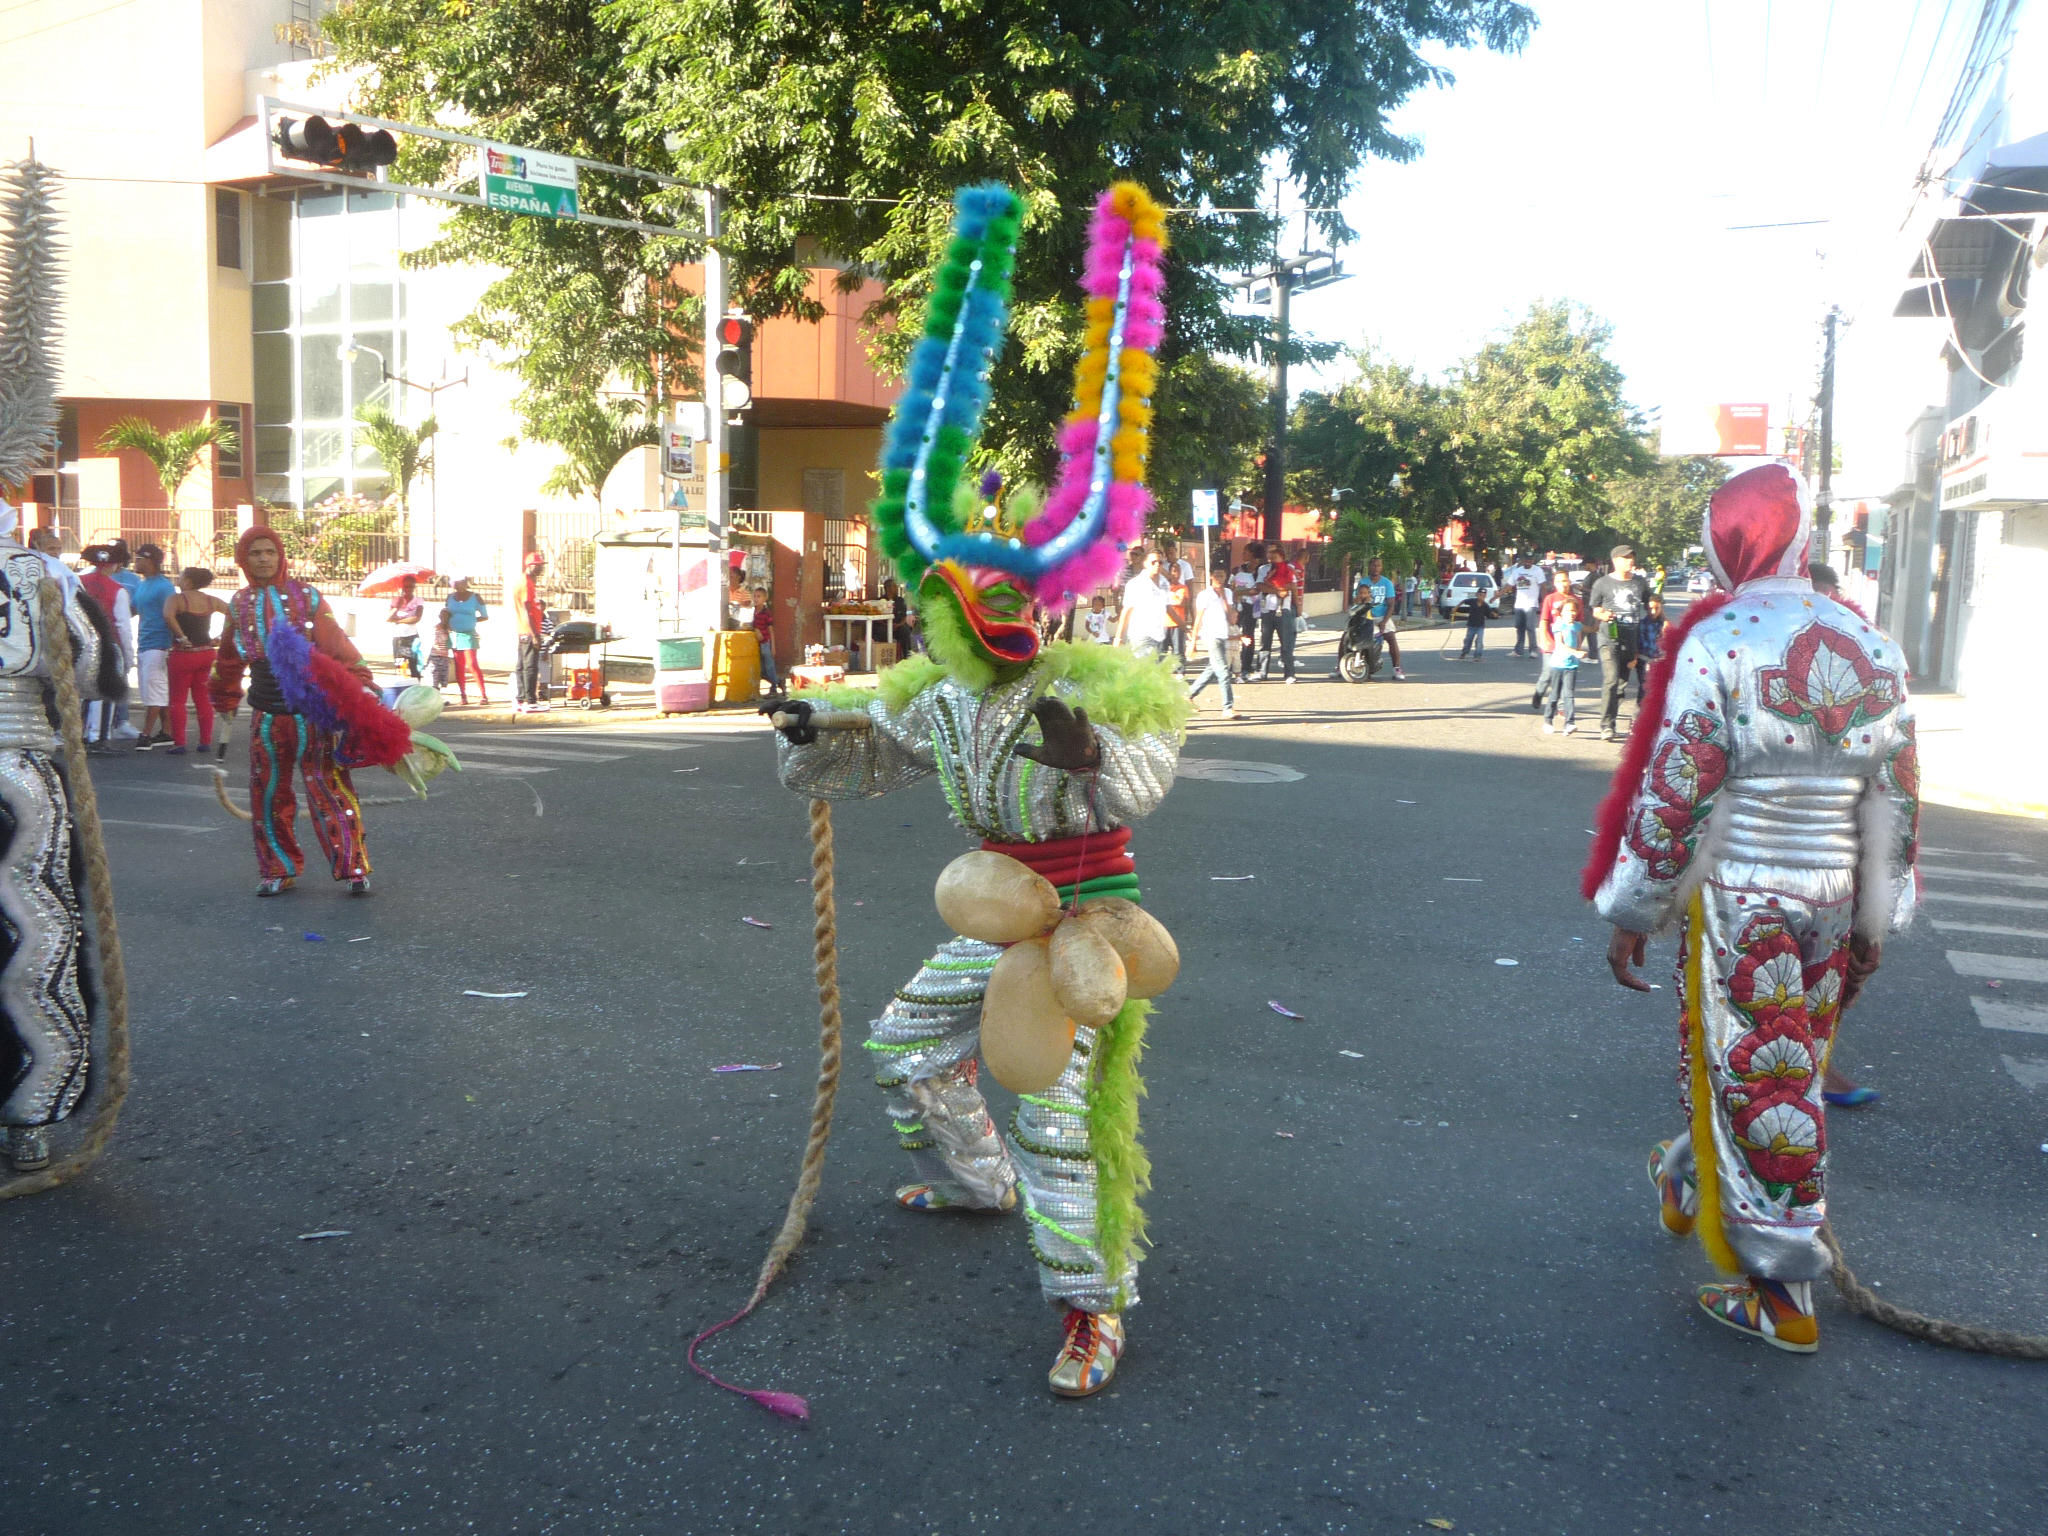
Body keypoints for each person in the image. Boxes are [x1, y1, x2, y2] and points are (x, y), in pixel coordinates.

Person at [768, 180, 1184, 1399]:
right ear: (939, 614)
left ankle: (1090, 1311)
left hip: (1085, 926)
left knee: (1062, 1119)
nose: (997, 618)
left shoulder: (1094, 684)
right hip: (987, 912)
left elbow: (1149, 772)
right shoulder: (935, 696)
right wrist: (806, 728)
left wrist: (1087, 760)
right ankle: (974, 1179)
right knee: (905, 1048)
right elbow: (863, 755)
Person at [1590, 463, 1919, 1354]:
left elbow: (1675, 798)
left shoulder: (1718, 640)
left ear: (1722, 544)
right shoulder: (1872, 644)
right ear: (1803, 540)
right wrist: (1880, 915)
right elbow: (1897, 793)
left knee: (1762, 1071)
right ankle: (1689, 1171)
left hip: (1748, 900)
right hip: (1841, 895)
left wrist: (1634, 911)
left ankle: (1782, 1295)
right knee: (1777, 1063)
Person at [0, 503, 117, 1174]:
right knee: (33, 941)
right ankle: (29, 1117)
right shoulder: (35, 569)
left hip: (22, 768)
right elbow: (88, 671)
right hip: (19, 770)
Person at [209, 527, 410, 898]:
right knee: (268, 793)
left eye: (270, 551)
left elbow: (339, 647)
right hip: (266, 716)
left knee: (329, 788)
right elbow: (227, 656)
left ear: (281, 555)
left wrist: (360, 686)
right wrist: (224, 697)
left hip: (312, 715)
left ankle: (353, 867)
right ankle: (276, 869)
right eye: (256, 553)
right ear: (244, 559)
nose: (264, 558)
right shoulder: (237, 604)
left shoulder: (308, 597)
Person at [1587, 544, 1651, 742]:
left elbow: (1652, 605)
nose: (1630, 561)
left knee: (1621, 686)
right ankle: (1606, 726)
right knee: (1611, 680)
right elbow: (1595, 609)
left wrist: (1661, 624)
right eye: (1625, 558)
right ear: (1615, 560)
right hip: (1609, 639)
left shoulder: (1640, 583)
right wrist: (1602, 614)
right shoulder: (1602, 583)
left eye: (1632, 557)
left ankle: (1613, 719)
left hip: (1631, 641)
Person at [162, 566, 228, 755]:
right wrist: (221, 637)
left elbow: (168, 615)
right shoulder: (210, 600)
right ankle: (205, 741)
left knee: (178, 700)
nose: (178, 580)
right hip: (207, 653)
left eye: (181, 577)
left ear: (188, 581)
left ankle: (180, 742)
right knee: (203, 699)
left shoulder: (176, 599)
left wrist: (181, 636)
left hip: (183, 654)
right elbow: (235, 615)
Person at [77, 546, 134, 750]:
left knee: (82, 690)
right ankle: (99, 737)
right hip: (108, 645)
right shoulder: (117, 590)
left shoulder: (78, 584)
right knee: (105, 691)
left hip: (80, 643)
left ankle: (81, 733)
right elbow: (123, 626)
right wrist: (129, 657)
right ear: (115, 565)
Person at [126, 543, 176, 750]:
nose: (136, 562)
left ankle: (145, 735)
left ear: (152, 562)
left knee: (153, 691)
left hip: (160, 643)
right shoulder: (141, 584)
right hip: (144, 642)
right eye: (136, 558)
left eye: (140, 559)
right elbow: (133, 609)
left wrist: (175, 641)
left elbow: (172, 613)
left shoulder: (165, 587)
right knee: (156, 689)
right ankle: (166, 732)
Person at [1185, 564, 1237, 718]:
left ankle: (1188, 694)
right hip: (1210, 635)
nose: (1220, 579)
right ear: (1211, 576)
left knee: (1213, 668)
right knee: (1223, 671)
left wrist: (1225, 598)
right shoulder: (1204, 595)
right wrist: (1193, 641)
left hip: (1223, 634)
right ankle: (1228, 707)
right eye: (1217, 575)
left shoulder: (1227, 592)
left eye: (1222, 575)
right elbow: (1198, 618)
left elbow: (1231, 618)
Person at [1536, 590, 1583, 733]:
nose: (1572, 613)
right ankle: (1548, 721)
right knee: (1555, 694)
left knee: (1569, 694)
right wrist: (1575, 652)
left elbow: (1579, 642)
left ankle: (1569, 723)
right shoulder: (1558, 625)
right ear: (1561, 612)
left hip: (1572, 665)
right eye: (1568, 611)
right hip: (1558, 665)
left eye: (1574, 611)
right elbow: (1560, 644)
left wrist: (1577, 652)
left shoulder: (1577, 626)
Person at [1114, 548, 1172, 659]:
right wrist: (1118, 637)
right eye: (1132, 554)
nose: (1134, 556)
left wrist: (1183, 626)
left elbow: (1167, 606)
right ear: (1145, 562)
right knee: (1144, 669)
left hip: (1159, 633)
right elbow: (1126, 609)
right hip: (1141, 632)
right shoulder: (1133, 580)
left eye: (1160, 562)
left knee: (1156, 670)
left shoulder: (1163, 581)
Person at [1355, 556, 1406, 680]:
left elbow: (1391, 604)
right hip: (1366, 616)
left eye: (1378, 565)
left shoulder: (1387, 583)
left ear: (1381, 568)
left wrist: (1384, 621)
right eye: (1373, 565)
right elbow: (1356, 601)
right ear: (1369, 567)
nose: (1376, 568)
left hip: (1382, 616)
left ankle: (1397, 668)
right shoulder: (1363, 582)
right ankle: (1340, 666)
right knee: (1347, 637)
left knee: (1391, 638)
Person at [443, 574, 489, 705]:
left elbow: (485, 616)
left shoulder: (475, 597)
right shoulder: (450, 597)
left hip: (469, 635)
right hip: (454, 635)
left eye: (462, 582)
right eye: (457, 582)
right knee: (459, 666)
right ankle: (463, 695)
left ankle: (483, 695)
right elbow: (446, 612)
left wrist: (472, 620)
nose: (460, 585)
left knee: (472, 664)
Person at [1256, 544, 1299, 682]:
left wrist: (1298, 607)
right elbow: (1260, 586)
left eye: (1275, 556)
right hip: (1267, 609)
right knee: (1265, 642)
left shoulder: (1289, 570)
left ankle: (1289, 673)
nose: (1272, 559)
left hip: (1284, 610)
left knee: (1286, 643)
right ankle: (1262, 672)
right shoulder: (1264, 570)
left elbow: (1292, 586)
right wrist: (1277, 590)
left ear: (1282, 557)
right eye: (1271, 556)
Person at [513, 552, 548, 714]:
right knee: (530, 667)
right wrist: (535, 635)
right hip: (529, 631)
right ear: (531, 566)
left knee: (521, 666)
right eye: (539, 566)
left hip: (523, 631)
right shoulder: (526, 583)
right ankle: (531, 702)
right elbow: (527, 610)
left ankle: (520, 699)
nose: (541, 569)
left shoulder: (524, 581)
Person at [1504, 554, 1545, 657]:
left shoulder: (1537, 571)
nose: (1528, 562)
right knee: (1519, 626)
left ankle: (1533, 650)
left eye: (1530, 560)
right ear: (1523, 560)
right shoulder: (1517, 571)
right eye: (1526, 559)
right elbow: (1509, 585)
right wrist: (1497, 595)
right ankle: (1518, 650)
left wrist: (1544, 601)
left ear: (1533, 560)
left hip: (1531, 603)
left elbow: (1543, 586)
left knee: (1530, 627)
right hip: (1519, 604)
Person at [386, 575, 424, 681]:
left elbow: (416, 618)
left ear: (414, 587)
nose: (408, 589)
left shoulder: (418, 600)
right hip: (398, 638)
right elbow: (388, 618)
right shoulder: (396, 600)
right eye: (406, 587)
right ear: (402, 588)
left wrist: (398, 620)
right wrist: (397, 606)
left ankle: (416, 689)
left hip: (412, 637)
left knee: (415, 666)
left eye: (411, 587)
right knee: (400, 666)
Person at [1633, 592, 1667, 702]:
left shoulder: (1665, 625)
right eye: (1650, 608)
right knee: (1645, 687)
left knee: (1658, 689)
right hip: (1644, 660)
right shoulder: (1642, 624)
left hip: (1659, 661)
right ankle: (1639, 713)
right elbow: (1637, 644)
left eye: (1656, 608)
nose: (1653, 612)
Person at [749, 585, 780, 691]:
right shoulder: (752, 612)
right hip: (755, 643)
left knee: (769, 665)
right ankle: (777, 682)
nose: (756, 599)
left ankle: (775, 686)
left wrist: (773, 647)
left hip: (765, 643)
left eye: (759, 596)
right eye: (755, 596)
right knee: (761, 668)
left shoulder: (766, 613)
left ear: (764, 599)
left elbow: (771, 630)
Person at [1456, 581, 1489, 659]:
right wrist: (1456, 608)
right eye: (1480, 595)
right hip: (1471, 625)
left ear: (1485, 596)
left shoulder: (1485, 605)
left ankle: (1477, 656)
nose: (1481, 597)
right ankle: (1464, 652)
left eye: (1483, 596)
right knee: (1468, 641)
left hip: (1480, 626)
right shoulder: (1472, 601)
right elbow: (1464, 601)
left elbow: (1489, 614)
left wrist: (1495, 615)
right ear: (1477, 594)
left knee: (1479, 641)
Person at [425, 612, 452, 690]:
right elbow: (437, 642)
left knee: (441, 680)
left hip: (444, 657)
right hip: (436, 656)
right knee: (435, 679)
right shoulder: (438, 628)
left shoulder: (449, 629)